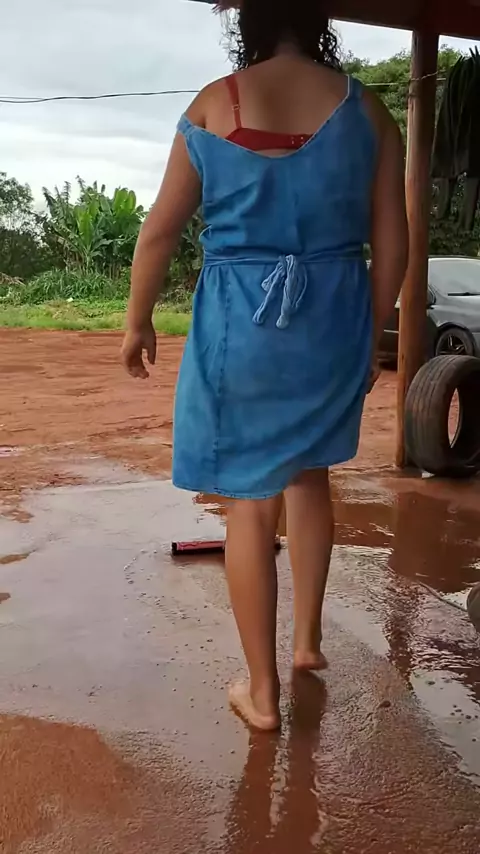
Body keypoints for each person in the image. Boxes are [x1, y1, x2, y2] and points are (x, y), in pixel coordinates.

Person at [121, 0, 408, 731]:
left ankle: (261, 691)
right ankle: (307, 642)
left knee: (249, 502)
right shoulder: (370, 112)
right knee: (309, 473)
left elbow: (158, 234)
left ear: (249, 22)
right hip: (332, 322)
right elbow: (393, 244)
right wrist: (366, 333)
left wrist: (137, 319)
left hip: (240, 326)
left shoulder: (216, 104)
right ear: (317, 19)